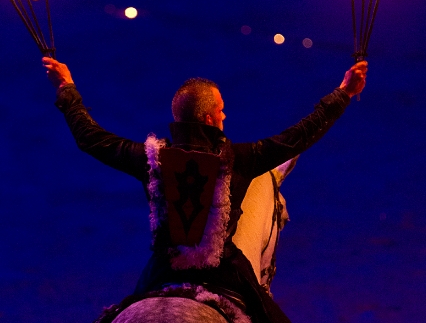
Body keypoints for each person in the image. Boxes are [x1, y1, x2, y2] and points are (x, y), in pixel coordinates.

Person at [42, 56, 367, 323]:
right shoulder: (240, 159)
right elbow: (300, 135)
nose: (225, 114)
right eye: (222, 109)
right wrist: (343, 93)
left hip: (163, 270)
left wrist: (67, 89)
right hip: (224, 274)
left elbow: (91, 137)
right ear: (211, 118)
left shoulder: (149, 159)